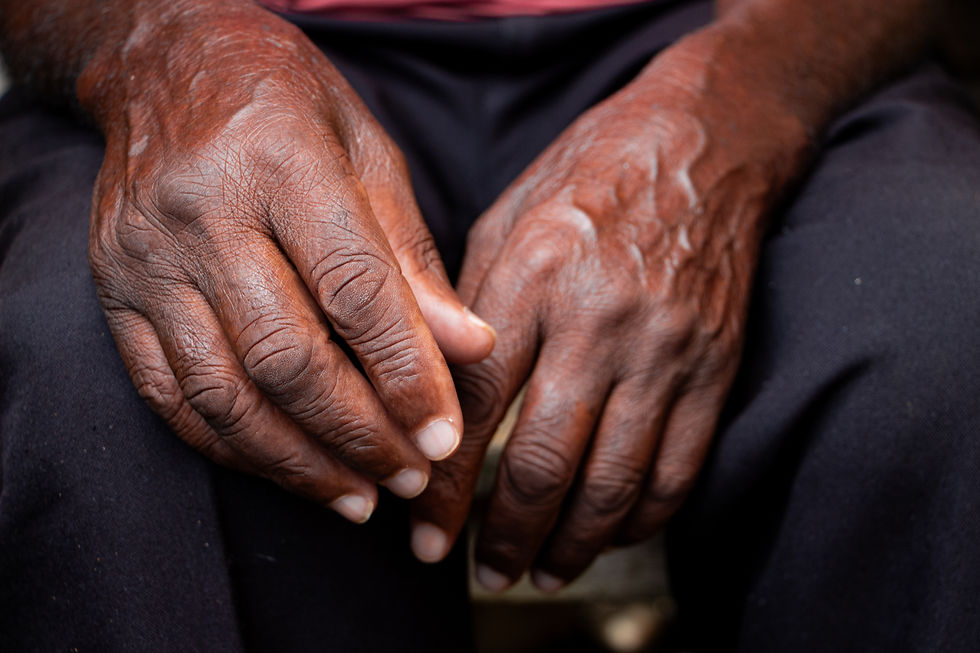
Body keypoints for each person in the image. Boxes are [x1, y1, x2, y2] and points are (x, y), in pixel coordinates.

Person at [1, 0, 978, 650]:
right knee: (94, 370)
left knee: (940, 334)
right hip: (217, 38)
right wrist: (151, 43)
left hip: (743, 27)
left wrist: (742, 96)